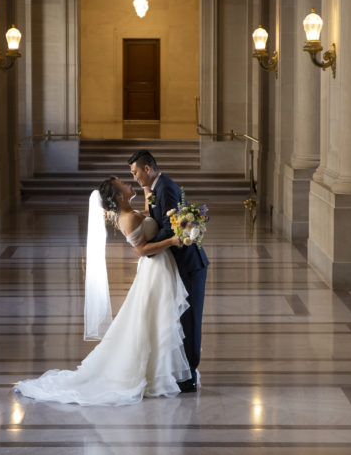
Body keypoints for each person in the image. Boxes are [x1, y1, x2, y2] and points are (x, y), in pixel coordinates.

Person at [14, 177, 191, 405]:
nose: (129, 184)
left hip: (160, 268)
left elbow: (149, 221)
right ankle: (153, 374)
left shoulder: (130, 211)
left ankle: (160, 371)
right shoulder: (125, 218)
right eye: (125, 184)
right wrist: (174, 241)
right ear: (119, 195)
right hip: (154, 268)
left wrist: (151, 197)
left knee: (154, 320)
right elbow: (141, 249)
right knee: (152, 319)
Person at [129, 149, 209, 393]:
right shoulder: (156, 188)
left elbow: (169, 228)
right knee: (180, 319)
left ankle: (189, 377)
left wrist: (147, 249)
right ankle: (182, 370)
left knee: (190, 319)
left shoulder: (166, 188)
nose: (135, 178)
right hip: (175, 264)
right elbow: (158, 217)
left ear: (147, 169)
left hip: (189, 264)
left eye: (135, 173)